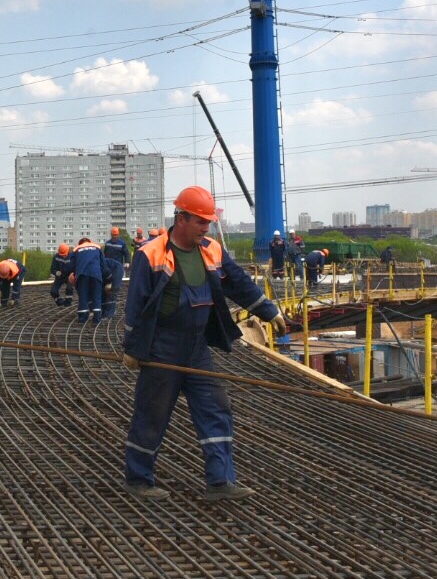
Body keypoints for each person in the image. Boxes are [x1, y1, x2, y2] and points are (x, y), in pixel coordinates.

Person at [121, 185, 287, 502]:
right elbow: (136, 304)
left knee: (215, 409)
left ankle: (220, 482)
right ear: (181, 218)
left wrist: (268, 310)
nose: (206, 228)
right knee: (152, 414)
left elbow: (238, 282)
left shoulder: (211, 249)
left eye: (208, 222)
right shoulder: (150, 253)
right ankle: (138, 479)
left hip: (196, 348)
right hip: (162, 348)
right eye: (200, 221)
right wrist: (132, 347)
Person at [71, 236, 104, 324]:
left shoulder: (76, 249)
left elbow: (71, 265)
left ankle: (82, 319)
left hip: (82, 274)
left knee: (83, 296)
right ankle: (97, 319)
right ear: (90, 242)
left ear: (80, 243)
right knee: (97, 296)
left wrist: (74, 274)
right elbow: (103, 264)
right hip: (96, 274)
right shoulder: (97, 247)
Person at [48, 243, 74, 309]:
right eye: (61, 254)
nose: (63, 256)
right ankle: (60, 302)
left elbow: (75, 267)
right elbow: (52, 269)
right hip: (60, 276)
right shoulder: (56, 257)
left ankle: (68, 303)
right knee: (53, 291)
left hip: (69, 276)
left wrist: (73, 274)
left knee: (69, 288)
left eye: (64, 254)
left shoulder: (72, 257)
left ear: (68, 251)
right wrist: (56, 272)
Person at [101, 252, 124, 320]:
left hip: (116, 269)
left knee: (112, 291)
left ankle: (109, 313)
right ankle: (104, 311)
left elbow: (107, 272)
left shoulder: (100, 264)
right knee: (103, 291)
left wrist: (110, 283)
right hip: (108, 273)